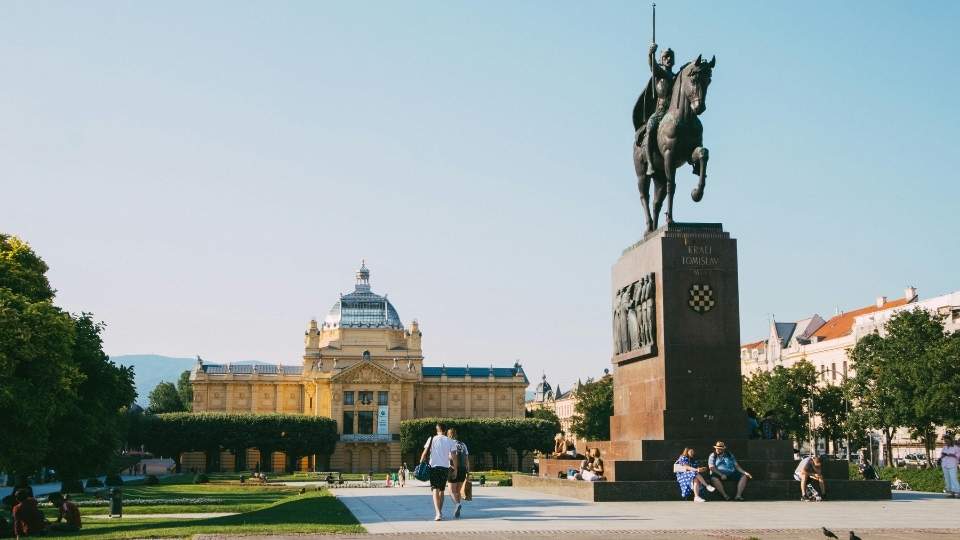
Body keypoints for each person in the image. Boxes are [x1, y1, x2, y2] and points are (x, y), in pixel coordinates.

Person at [639, 43, 676, 177]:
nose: (669, 59)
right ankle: (649, 163)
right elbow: (652, 66)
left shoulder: (676, 77)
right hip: (661, 112)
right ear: (661, 60)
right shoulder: (660, 73)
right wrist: (650, 54)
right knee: (650, 127)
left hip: (674, 112)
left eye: (671, 57)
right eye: (666, 57)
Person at [418, 422, 458, 521]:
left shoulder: (431, 439)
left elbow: (424, 453)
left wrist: (420, 463)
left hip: (433, 467)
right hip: (444, 468)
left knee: (435, 489)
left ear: (437, 430)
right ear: (445, 430)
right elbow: (454, 457)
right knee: (442, 490)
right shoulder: (450, 441)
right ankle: (440, 512)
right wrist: (455, 469)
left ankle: (438, 513)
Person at [446, 427, 470, 519]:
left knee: (451, 491)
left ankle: (457, 504)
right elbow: (467, 459)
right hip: (463, 469)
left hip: (452, 468)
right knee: (458, 491)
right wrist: (468, 470)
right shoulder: (463, 444)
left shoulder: (449, 444)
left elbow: (451, 456)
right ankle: (458, 508)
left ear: (448, 435)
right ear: (456, 434)